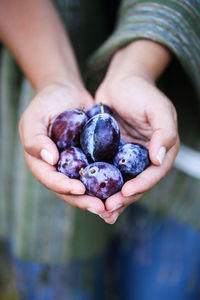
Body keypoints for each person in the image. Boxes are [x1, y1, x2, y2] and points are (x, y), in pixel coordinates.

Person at [0, 0, 199, 299]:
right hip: (39, 52)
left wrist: (136, 69)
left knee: (163, 285)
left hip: (180, 126)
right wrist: (53, 79)